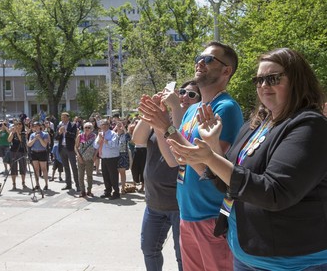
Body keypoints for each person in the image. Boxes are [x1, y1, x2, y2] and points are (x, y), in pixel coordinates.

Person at [168, 48, 327, 270]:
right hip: (246, 252)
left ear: (297, 80)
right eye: (259, 79)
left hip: (292, 261)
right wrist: (213, 145)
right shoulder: (258, 124)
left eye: (272, 78)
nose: (263, 85)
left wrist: (210, 158)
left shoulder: (309, 126)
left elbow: (274, 193)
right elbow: (227, 183)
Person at [139, 41, 243, 271]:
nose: (200, 62)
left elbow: (210, 169)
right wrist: (158, 124)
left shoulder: (226, 108)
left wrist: (166, 126)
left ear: (226, 70)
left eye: (208, 59)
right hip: (187, 214)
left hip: (213, 216)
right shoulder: (194, 110)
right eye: (199, 57)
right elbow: (174, 160)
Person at [134, 79, 201, 271]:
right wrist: (152, 110)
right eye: (182, 92)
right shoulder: (165, 118)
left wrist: (173, 108)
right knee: (149, 249)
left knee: (183, 256)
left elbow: (178, 144)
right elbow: (138, 139)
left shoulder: (194, 122)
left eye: (191, 94)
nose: (184, 97)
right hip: (154, 202)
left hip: (179, 204)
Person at [94, 119, 120, 200]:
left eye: (105, 124)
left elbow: (113, 144)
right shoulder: (100, 134)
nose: (103, 126)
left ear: (108, 125)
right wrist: (99, 141)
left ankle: (116, 192)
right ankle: (108, 191)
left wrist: (105, 140)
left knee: (113, 176)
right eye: (102, 125)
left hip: (112, 158)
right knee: (105, 175)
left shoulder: (113, 134)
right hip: (104, 157)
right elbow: (95, 145)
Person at [55, 112, 79, 191]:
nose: (63, 119)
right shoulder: (59, 126)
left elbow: (73, 135)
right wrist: (59, 132)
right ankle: (68, 184)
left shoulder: (73, 125)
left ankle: (78, 185)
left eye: (64, 117)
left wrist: (66, 132)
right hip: (62, 148)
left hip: (70, 149)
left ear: (68, 118)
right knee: (66, 167)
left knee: (74, 167)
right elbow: (56, 137)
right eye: (62, 117)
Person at [75, 121, 96, 197]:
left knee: (89, 175)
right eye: (85, 127)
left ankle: (89, 190)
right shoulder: (80, 136)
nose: (87, 129)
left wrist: (95, 156)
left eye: (88, 127)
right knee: (81, 176)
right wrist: (78, 156)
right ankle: (82, 191)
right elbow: (76, 147)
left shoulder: (94, 136)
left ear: (92, 129)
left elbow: (96, 148)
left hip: (90, 159)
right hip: (81, 158)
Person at [27, 121, 49, 191]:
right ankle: (37, 184)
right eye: (34, 126)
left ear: (40, 126)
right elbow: (29, 144)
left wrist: (39, 138)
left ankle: (46, 184)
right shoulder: (32, 135)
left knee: (44, 169)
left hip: (42, 152)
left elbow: (44, 145)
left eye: (37, 126)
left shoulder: (45, 134)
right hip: (34, 153)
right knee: (36, 169)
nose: (35, 127)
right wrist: (35, 138)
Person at [8, 120, 28, 190]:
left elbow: (21, 140)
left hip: (22, 151)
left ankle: (23, 182)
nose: (18, 126)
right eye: (17, 124)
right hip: (13, 151)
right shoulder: (12, 132)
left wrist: (17, 132)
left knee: (23, 167)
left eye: (20, 124)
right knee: (13, 168)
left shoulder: (23, 132)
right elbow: (9, 140)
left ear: (22, 125)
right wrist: (13, 133)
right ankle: (14, 184)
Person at [116, 121, 131, 194]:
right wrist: (116, 128)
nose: (119, 127)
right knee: (115, 173)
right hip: (114, 155)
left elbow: (129, 138)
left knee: (122, 172)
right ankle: (116, 188)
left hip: (123, 155)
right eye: (118, 126)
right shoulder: (114, 135)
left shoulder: (124, 135)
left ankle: (123, 188)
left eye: (120, 126)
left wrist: (124, 128)